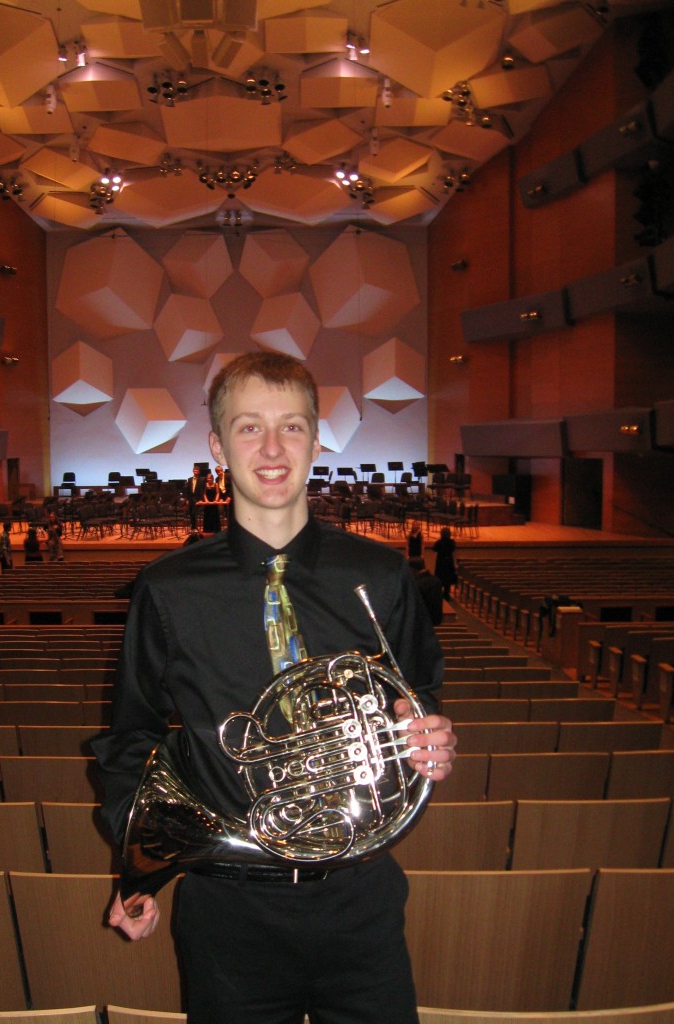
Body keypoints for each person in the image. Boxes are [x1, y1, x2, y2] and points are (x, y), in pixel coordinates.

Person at [92, 351, 456, 1024]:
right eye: (248, 427)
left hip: (360, 896)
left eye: (291, 427)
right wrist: (139, 860)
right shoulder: (168, 589)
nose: (271, 447)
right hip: (225, 908)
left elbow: (421, 690)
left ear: (316, 441)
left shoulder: (379, 575)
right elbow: (130, 737)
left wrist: (426, 733)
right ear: (217, 446)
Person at [408, 555, 444, 625]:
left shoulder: (417, 584)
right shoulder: (436, 580)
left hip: (422, 624)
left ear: (412, 569)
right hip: (436, 620)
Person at [432, 526, 458, 601]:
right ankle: (447, 594)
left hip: (441, 561)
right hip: (449, 561)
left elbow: (434, 549)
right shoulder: (452, 542)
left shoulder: (439, 542)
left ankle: (439, 594)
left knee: (440, 577)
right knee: (448, 578)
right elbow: (453, 549)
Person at [185, 464, 205, 530]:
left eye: (197, 471)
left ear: (199, 472)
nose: (195, 472)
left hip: (197, 498)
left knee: (195, 513)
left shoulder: (201, 480)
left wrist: (201, 499)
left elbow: (202, 490)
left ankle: (195, 527)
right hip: (191, 498)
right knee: (191, 513)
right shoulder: (189, 479)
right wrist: (187, 499)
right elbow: (187, 490)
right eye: (194, 471)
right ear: (193, 471)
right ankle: (192, 527)